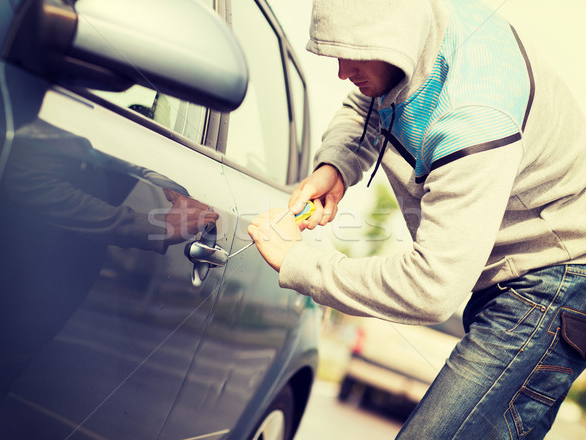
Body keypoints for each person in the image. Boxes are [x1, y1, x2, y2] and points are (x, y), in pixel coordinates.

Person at [247, 0, 586, 438]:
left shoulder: (476, 117)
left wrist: (300, 263)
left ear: (395, 39)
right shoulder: (414, 41)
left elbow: (432, 286)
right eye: (335, 54)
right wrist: (337, 165)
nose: (341, 71)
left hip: (553, 279)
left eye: (352, 54)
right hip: (512, 274)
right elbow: (367, 102)